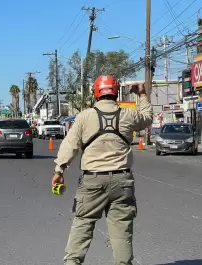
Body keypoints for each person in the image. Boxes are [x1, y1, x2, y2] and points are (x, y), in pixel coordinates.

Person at [52, 75, 153, 265]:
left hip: (92, 181)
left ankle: (72, 262)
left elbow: (70, 145)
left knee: (83, 224)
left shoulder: (84, 116)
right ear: (115, 92)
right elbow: (147, 118)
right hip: (122, 181)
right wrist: (141, 94)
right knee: (121, 230)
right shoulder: (128, 115)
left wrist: (60, 170)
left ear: (96, 93)